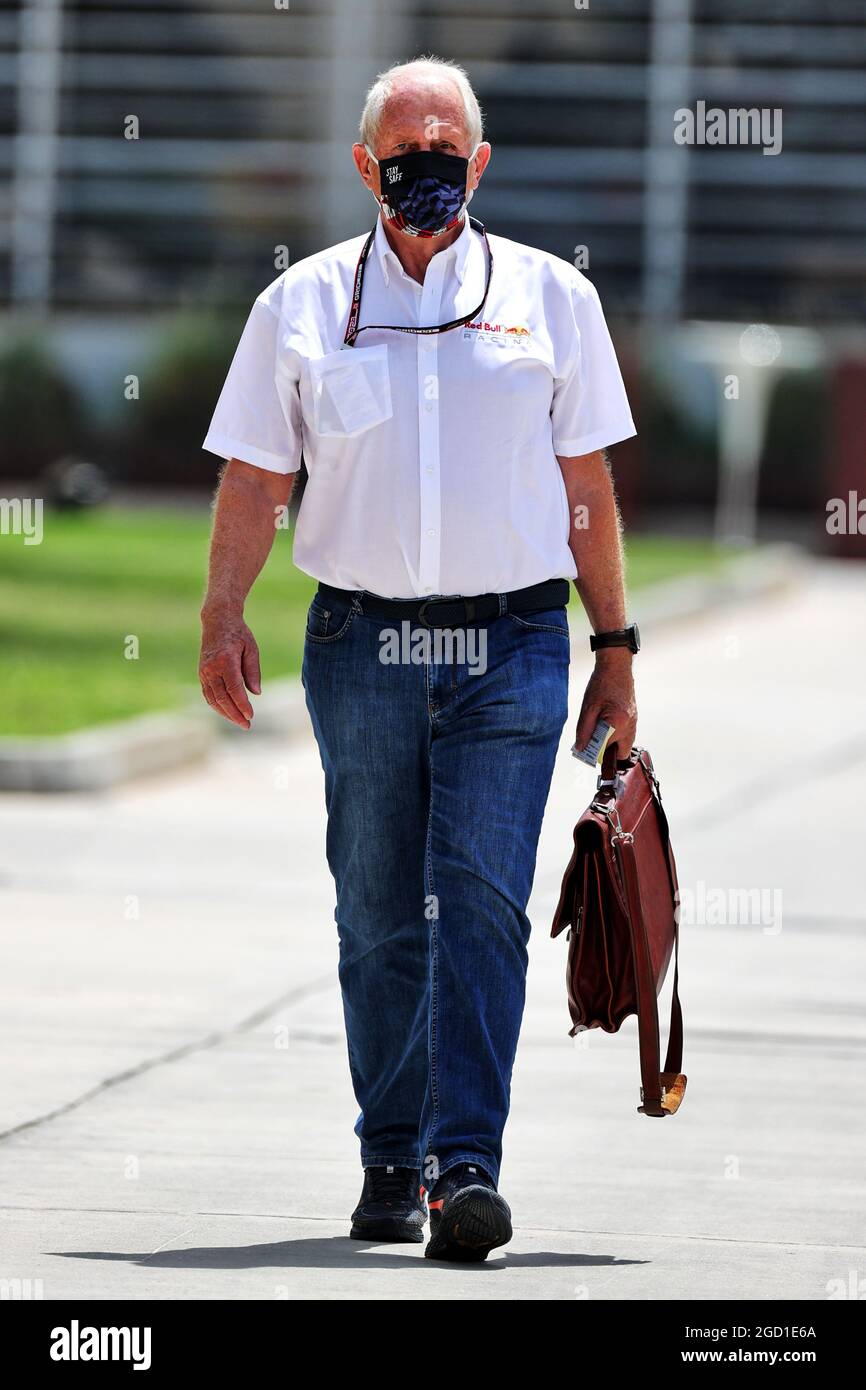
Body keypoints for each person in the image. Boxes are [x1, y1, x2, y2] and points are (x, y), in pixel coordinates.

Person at [200, 55, 638, 1263]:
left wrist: (613, 644)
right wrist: (219, 614)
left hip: (509, 642)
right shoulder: (297, 306)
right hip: (361, 642)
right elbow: (255, 473)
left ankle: (463, 1169)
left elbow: (585, 485)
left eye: (448, 154)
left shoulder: (551, 299)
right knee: (381, 911)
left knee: (484, 903)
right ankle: (389, 1154)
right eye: (405, 156)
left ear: (480, 163)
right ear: (364, 165)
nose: (427, 172)